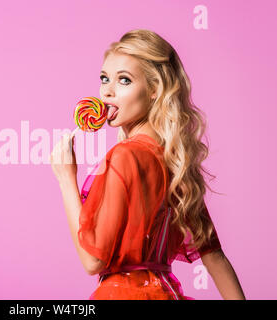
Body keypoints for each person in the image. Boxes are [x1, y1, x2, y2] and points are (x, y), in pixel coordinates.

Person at [50, 29, 246, 300]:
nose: (107, 91)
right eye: (105, 79)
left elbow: (92, 261)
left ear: (155, 90)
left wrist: (65, 177)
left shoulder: (125, 155)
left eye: (124, 80)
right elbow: (215, 258)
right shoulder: (176, 162)